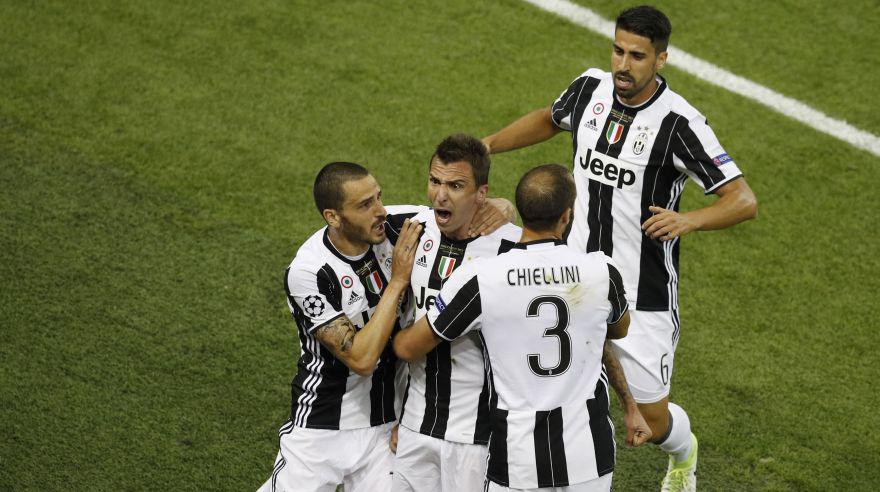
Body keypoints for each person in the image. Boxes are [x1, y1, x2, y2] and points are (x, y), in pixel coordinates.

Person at [480, 6, 758, 491]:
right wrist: (488, 145)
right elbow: (551, 117)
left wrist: (688, 219)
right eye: (617, 50)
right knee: (547, 377)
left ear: (662, 59)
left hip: (642, 293)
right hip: (574, 277)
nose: (623, 65)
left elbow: (743, 199)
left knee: (650, 421)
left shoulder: (680, 123)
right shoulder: (589, 88)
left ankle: (685, 453)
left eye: (637, 56)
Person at [394, 164, 650, 491]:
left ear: (520, 212)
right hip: (589, 453)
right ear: (566, 216)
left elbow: (408, 347)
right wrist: (629, 405)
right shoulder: (602, 271)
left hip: (517, 459)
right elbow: (618, 330)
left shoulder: (482, 278)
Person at [257, 161, 423, 492]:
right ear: (333, 217)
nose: (380, 211)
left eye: (378, 197)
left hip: (386, 428)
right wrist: (399, 281)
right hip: (322, 426)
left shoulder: (394, 226)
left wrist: (496, 208)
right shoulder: (309, 272)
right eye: (365, 205)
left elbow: (469, 213)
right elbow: (361, 360)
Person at [391, 134, 522, 491]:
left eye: (456, 185)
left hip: (476, 438)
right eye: (435, 181)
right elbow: (354, 213)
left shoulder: (515, 248)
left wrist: (506, 207)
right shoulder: (411, 227)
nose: (440, 195)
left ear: (482, 193)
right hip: (413, 424)